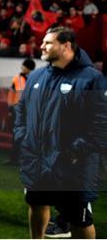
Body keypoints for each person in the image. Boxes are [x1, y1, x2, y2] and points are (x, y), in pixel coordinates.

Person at [14, 26, 107, 239]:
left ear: (66, 46)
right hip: (37, 160)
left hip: (73, 166)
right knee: (37, 205)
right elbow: (21, 109)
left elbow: (101, 123)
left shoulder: (92, 78)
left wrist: (75, 152)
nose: (42, 46)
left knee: (78, 218)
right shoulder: (37, 76)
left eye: (48, 43)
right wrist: (22, 136)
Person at [4, 58, 36, 165]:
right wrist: (10, 107)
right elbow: (11, 94)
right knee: (16, 134)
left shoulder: (35, 79)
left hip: (29, 111)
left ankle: (23, 159)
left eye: (24, 66)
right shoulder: (16, 78)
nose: (22, 68)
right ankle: (13, 158)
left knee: (27, 135)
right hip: (17, 109)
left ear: (29, 68)